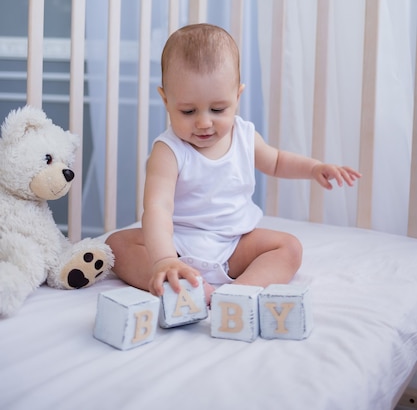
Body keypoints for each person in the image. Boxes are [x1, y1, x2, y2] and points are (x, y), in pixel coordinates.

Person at [107, 23, 361, 304]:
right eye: (188, 111)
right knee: (116, 246)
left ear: (237, 97)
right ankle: (178, 282)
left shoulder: (244, 136)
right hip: (178, 243)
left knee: (289, 247)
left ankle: (234, 293)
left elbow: (277, 162)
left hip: (235, 244)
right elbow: (157, 207)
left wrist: (314, 168)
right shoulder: (168, 151)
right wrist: (164, 258)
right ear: (166, 100)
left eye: (218, 109)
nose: (204, 122)